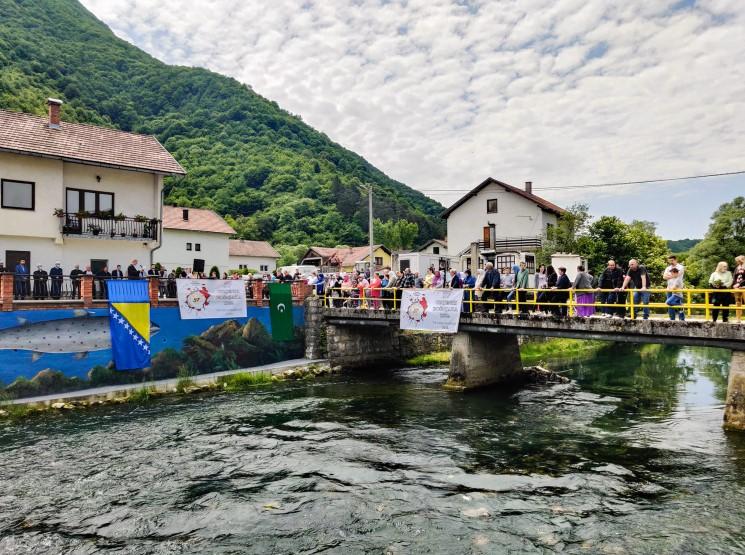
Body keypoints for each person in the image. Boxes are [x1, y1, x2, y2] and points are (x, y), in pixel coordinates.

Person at [733, 255, 745, 322]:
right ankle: (738, 318)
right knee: (738, 303)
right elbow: (734, 277)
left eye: (740, 260)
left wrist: (740, 284)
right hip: (737, 287)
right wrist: (734, 284)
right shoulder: (737, 268)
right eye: (737, 261)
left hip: (744, 287)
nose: (738, 262)